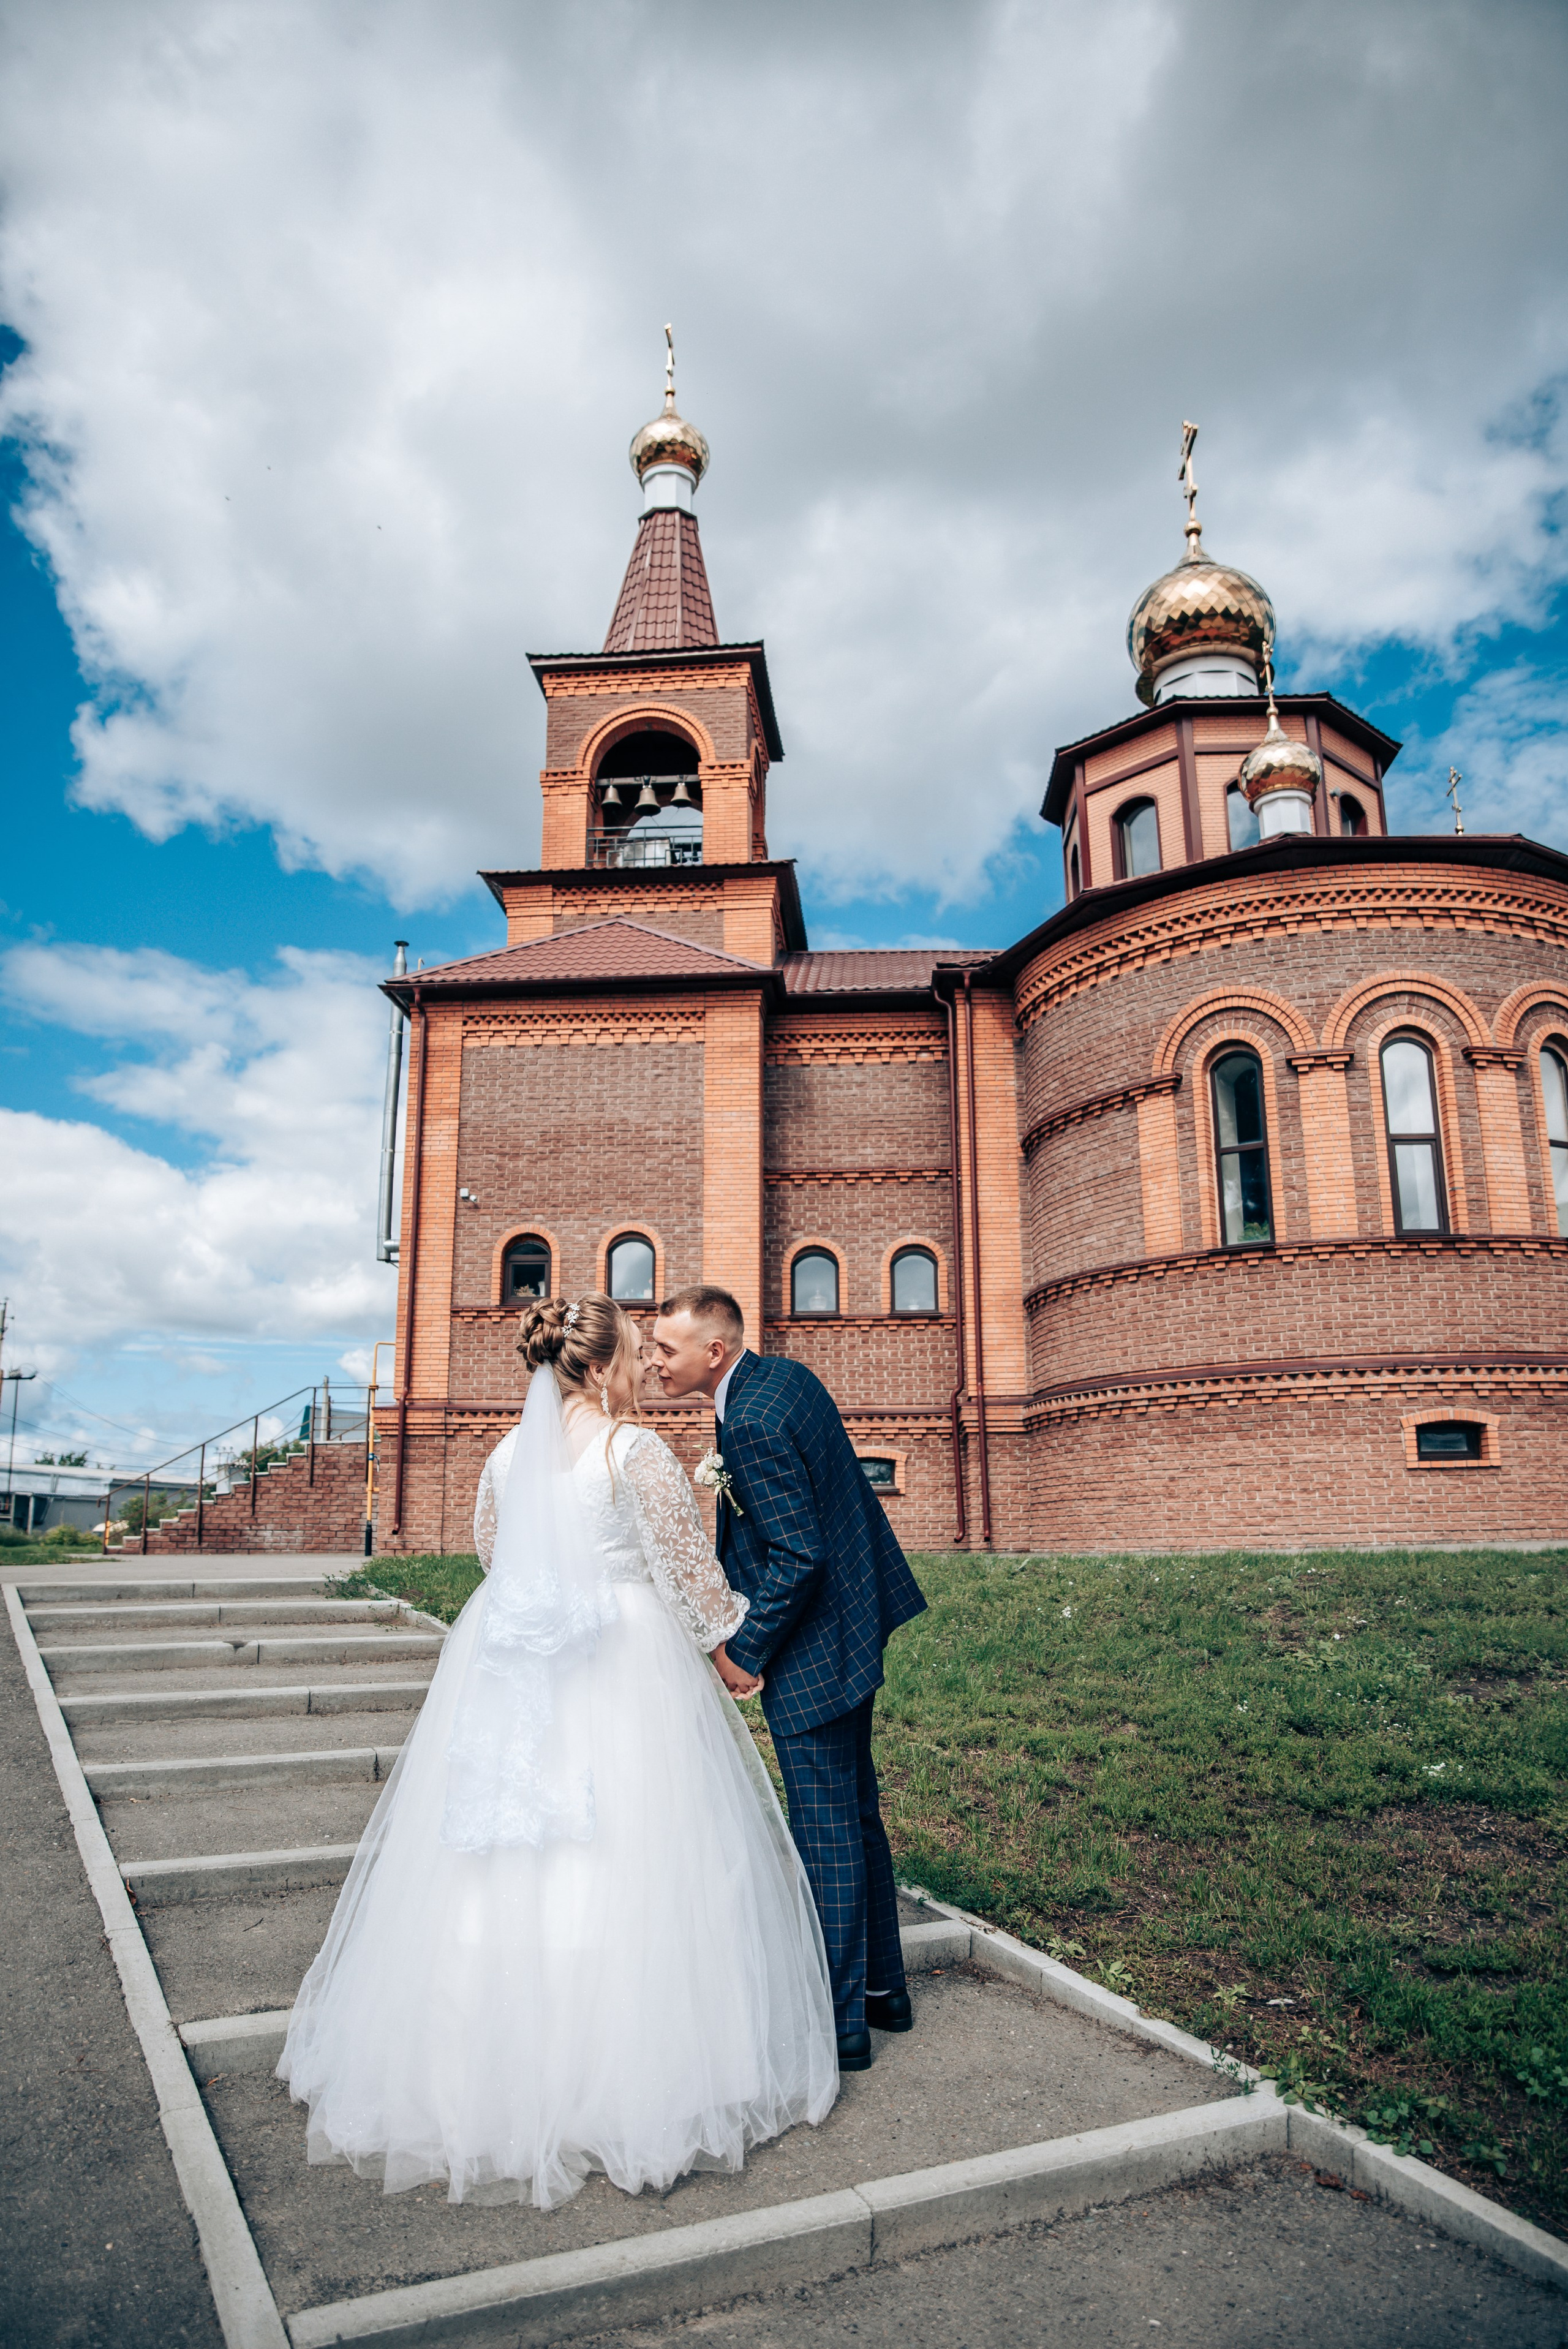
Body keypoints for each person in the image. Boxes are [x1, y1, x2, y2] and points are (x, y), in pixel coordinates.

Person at [277, 1292, 837, 2210]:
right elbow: (689, 1576)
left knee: (510, 1846)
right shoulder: (633, 1451)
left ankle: (480, 2068)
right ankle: (637, 2073)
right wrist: (741, 1647)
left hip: (518, 1662)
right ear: (606, 1362)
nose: (646, 1368)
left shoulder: (506, 1453)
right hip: (624, 1659)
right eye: (635, 1353)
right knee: (630, 1844)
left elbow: (493, 1556)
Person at [648, 1285, 927, 2072]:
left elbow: (798, 1554)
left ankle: (837, 2023)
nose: (654, 1361)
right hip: (852, 1622)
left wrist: (747, 1649)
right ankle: (883, 1994)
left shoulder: (756, 1419)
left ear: (714, 1349)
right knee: (857, 1815)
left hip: (813, 1644)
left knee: (826, 1830)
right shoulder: (783, 1379)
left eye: (666, 1349)